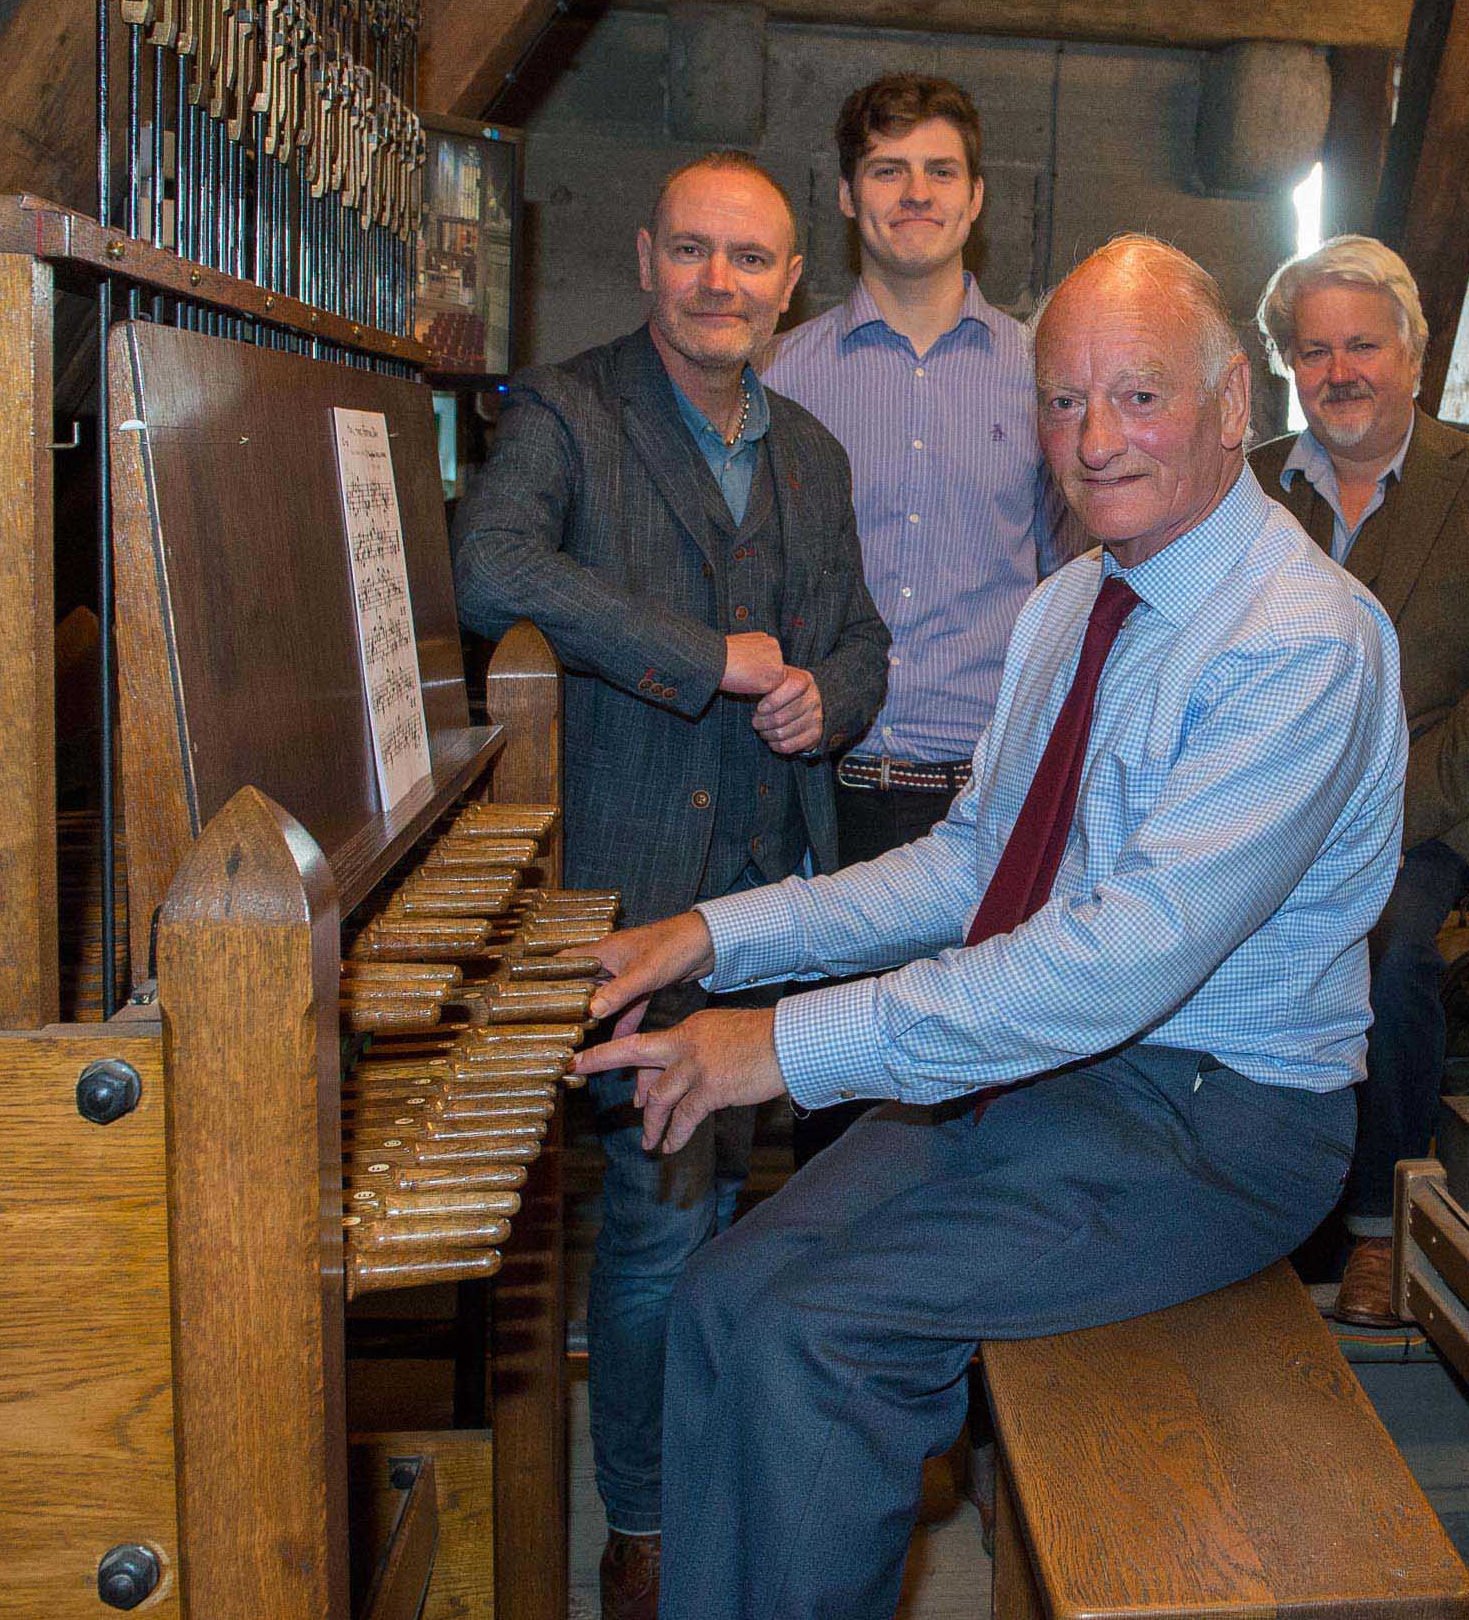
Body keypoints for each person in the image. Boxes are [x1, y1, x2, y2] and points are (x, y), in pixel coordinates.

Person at [572, 235, 1408, 1620]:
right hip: (1060, 1069)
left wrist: (779, 1047)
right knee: (724, 1296)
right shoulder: (1071, 600)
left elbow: (1116, 961)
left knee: (815, 1341)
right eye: (1064, 401)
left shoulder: (1304, 643)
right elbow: (972, 868)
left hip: (1221, 1119)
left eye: (1138, 398)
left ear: (1230, 409)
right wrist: (710, 939)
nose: (1095, 440)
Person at [450, 150, 890, 1620]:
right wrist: (708, 664)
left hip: (778, 896)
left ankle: (701, 1485)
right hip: (625, 901)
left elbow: (864, 643)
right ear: (645, 259)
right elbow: (490, 568)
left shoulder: (814, 452)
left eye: (751, 260)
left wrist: (829, 693)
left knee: (726, 1223)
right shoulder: (563, 413)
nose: (721, 283)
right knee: (650, 1225)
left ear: (789, 285)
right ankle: (640, 1527)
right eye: (695, 252)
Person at [760, 71, 1082, 1163]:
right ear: (846, 199)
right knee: (837, 1114)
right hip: (829, 804)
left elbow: (1074, 590)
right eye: (886, 171)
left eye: (938, 170)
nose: (914, 193)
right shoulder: (781, 378)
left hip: (991, 808)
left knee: (985, 1126)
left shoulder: (1045, 379)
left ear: (975, 197)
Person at [1249, 233, 1469, 1327]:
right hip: (1256, 808)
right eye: (1313, 350)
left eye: (1362, 347)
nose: (1339, 371)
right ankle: (1247, 1214)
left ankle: (1385, 1226)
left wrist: (1377, 815)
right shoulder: (1239, 489)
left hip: (1419, 820)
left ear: (1413, 358)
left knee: (1379, 963)